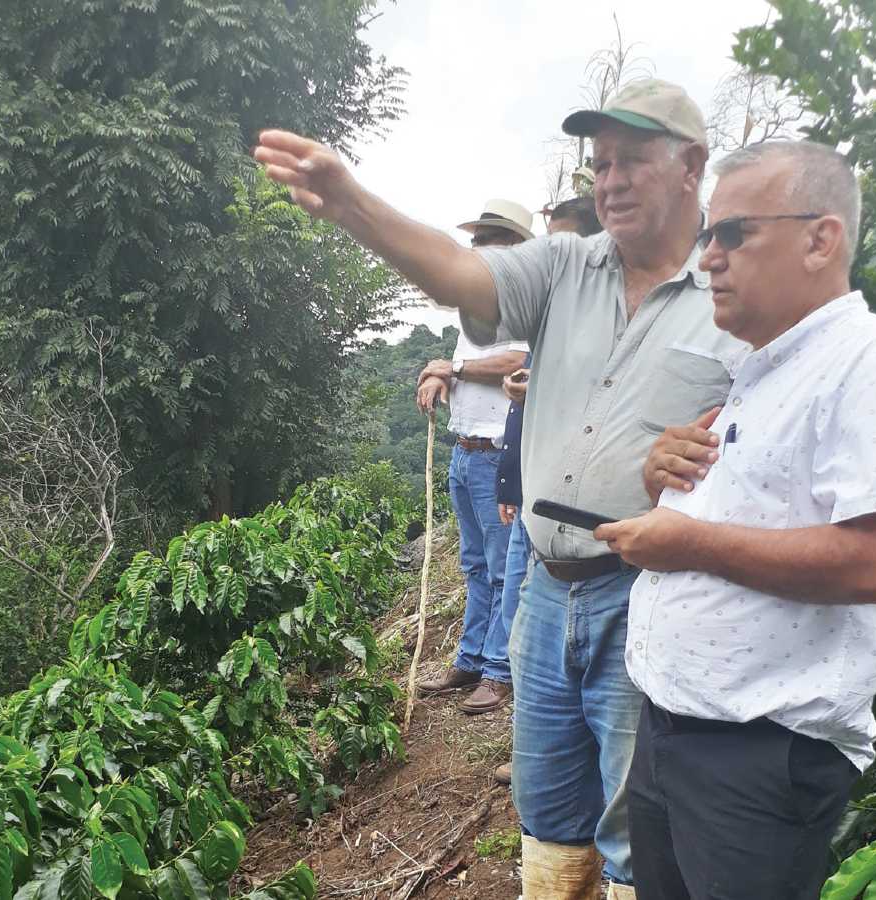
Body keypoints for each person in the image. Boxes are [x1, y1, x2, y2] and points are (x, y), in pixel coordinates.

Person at [254, 77, 746, 900]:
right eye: (602, 164)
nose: (611, 181)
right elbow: (458, 274)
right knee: (547, 807)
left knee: (638, 825)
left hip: (655, 593)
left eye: (632, 161)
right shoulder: (563, 266)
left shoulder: (733, 292)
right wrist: (350, 204)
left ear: (692, 164)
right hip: (548, 588)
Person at [593, 140, 876, 899]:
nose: (710, 260)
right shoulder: (756, 376)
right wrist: (663, 481)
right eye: (707, 237)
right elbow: (753, 514)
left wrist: (686, 540)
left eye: (734, 233)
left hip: (758, 757)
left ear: (820, 239)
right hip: (673, 735)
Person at [492, 196, 603, 787]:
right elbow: (526, 429)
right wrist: (510, 480)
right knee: (520, 619)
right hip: (540, 524)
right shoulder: (549, 319)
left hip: (602, 555)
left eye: (563, 246)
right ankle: (539, 739)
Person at [412, 199, 532, 715]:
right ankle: (472, 657)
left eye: (491, 238)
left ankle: (499, 671)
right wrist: (441, 372)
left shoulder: (525, 303)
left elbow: (517, 359)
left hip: (497, 454)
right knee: (475, 565)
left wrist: (454, 371)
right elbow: (463, 359)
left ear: (515, 248)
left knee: (505, 568)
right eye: (478, 239)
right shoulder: (476, 310)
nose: (480, 248)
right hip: (466, 450)